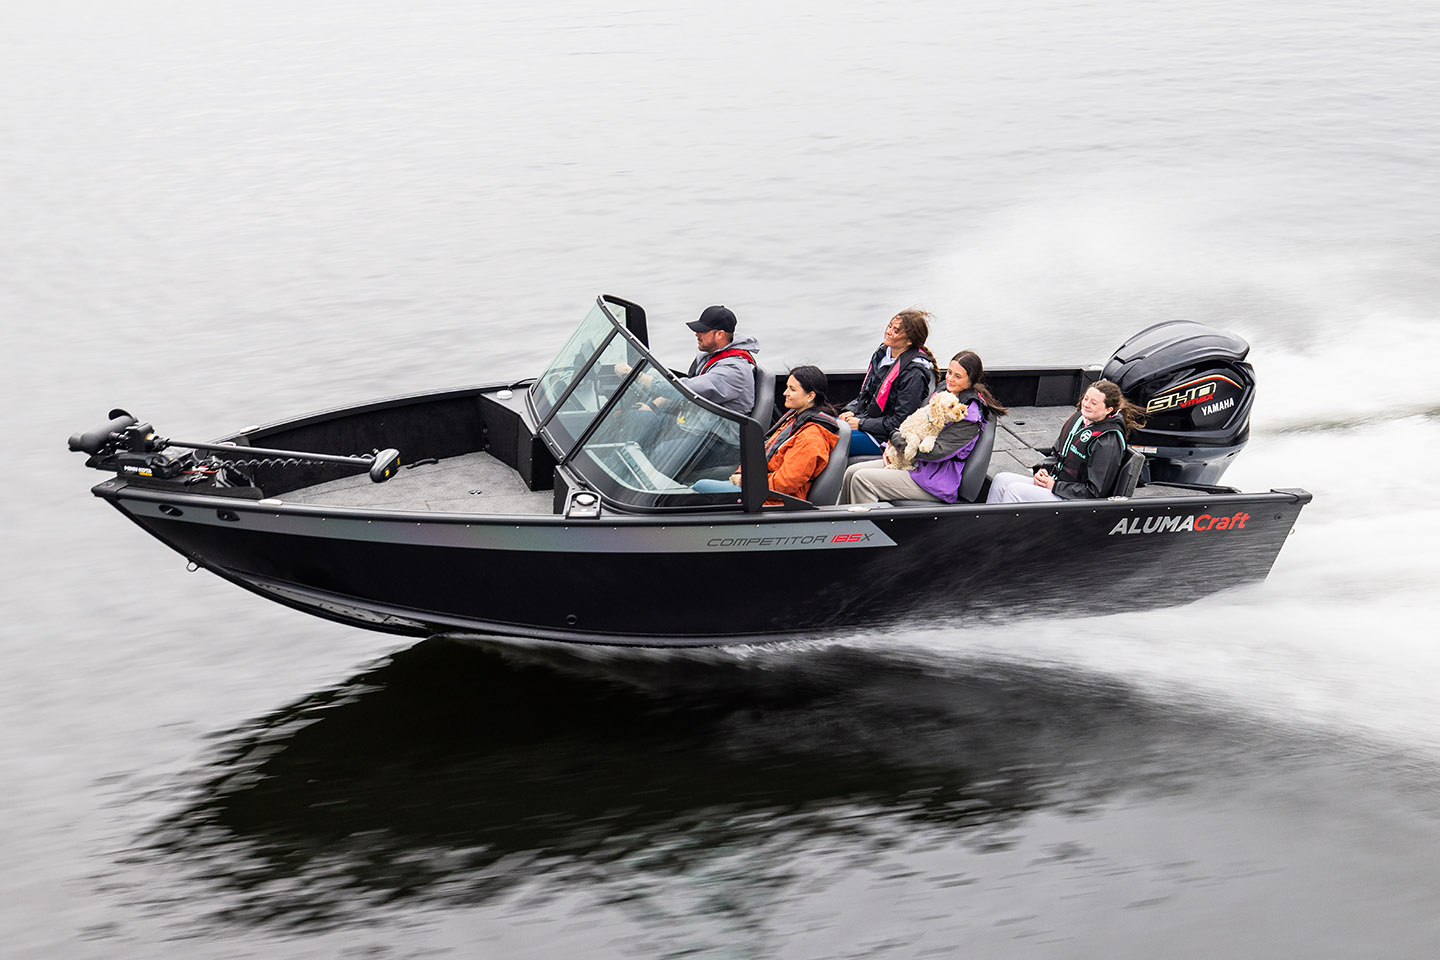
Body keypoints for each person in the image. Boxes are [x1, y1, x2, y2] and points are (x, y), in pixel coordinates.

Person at [840, 351, 1006, 504]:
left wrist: (896, 440)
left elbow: (935, 452)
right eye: (949, 372)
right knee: (851, 472)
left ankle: (866, 532)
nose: (950, 379)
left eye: (958, 376)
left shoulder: (967, 416)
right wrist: (892, 447)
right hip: (913, 462)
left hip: (935, 479)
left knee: (863, 480)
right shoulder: (943, 393)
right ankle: (839, 527)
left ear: (970, 381)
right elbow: (916, 422)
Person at [693, 365, 840, 502]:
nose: (785, 393)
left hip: (771, 499)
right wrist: (740, 474)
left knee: (699, 487)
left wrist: (746, 483)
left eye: (792, 389)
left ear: (810, 396)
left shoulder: (811, 437)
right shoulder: (793, 420)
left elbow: (787, 483)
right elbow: (762, 450)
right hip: (759, 486)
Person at [986, 380, 1146, 503]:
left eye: (1094, 403)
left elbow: (1094, 492)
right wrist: (1043, 471)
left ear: (1108, 410)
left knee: (1015, 490)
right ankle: (986, 533)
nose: (1086, 404)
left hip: (1071, 501)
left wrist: (1054, 486)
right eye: (1086, 398)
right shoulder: (1079, 419)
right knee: (1001, 480)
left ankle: (1004, 542)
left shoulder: (1107, 441)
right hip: (1056, 483)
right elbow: (1057, 453)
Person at [621, 305, 762, 416]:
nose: (697, 334)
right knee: (635, 417)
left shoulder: (733, 370)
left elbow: (687, 390)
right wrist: (654, 406)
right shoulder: (712, 353)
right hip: (703, 420)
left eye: (703, 331)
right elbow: (695, 388)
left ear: (720, 334)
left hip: (718, 437)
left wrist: (637, 376)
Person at [837, 310, 939, 456]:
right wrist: (852, 410)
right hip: (867, 420)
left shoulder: (914, 373)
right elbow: (866, 395)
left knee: (828, 439)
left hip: (886, 438)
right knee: (817, 426)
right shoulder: (882, 354)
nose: (889, 332)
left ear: (909, 341)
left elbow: (902, 421)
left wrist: (860, 424)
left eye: (896, 330)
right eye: (890, 326)